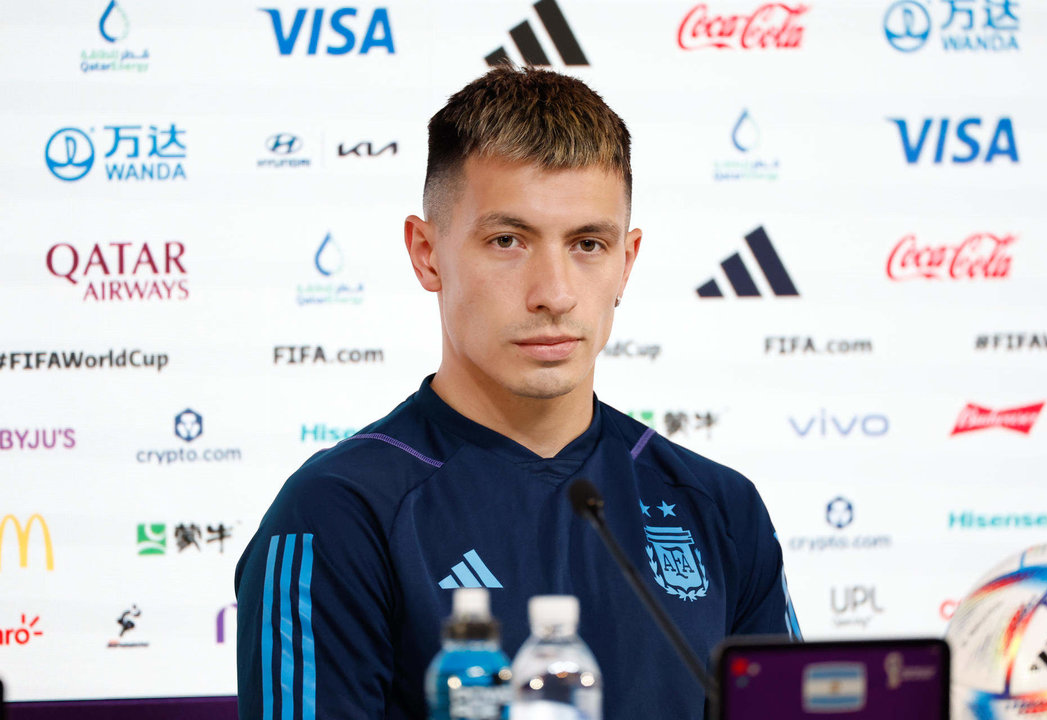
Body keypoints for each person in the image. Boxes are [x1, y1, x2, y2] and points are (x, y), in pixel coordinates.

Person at [234, 65, 800, 720]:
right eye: (508, 241)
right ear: (426, 252)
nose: (555, 293)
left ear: (628, 261)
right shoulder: (335, 515)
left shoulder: (720, 508)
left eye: (589, 243)